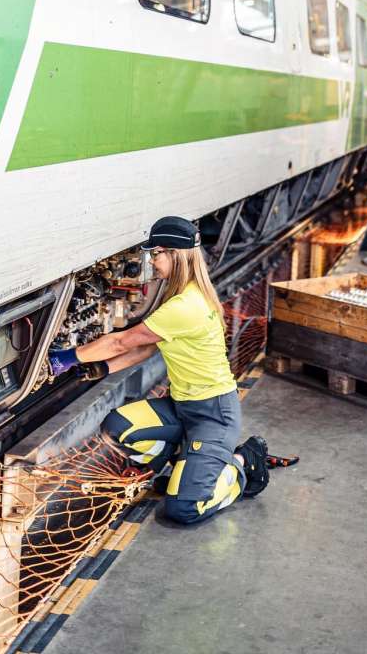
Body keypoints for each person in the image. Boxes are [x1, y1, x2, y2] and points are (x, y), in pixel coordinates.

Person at [47, 215, 270, 525]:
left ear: (175, 255)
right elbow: (147, 347)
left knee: (183, 510)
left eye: (157, 254)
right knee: (117, 426)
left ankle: (240, 463)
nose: (152, 262)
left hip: (214, 415)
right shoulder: (184, 294)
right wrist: (102, 367)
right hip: (182, 408)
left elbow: (122, 341)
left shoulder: (185, 306)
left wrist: (64, 358)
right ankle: (186, 464)